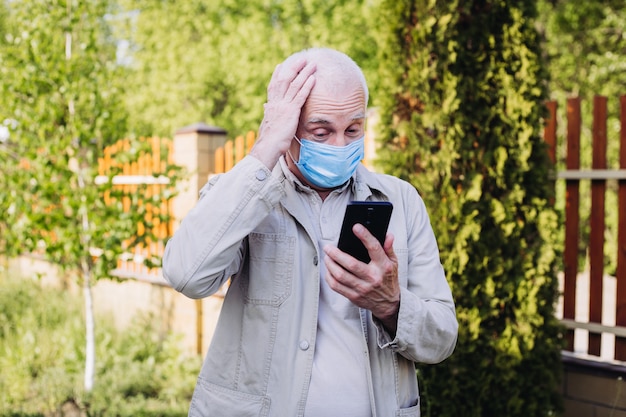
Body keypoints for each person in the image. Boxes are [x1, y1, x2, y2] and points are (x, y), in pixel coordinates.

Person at [162, 47, 458, 417]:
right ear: (288, 129)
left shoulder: (401, 200)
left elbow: (442, 339)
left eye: (353, 129)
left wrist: (392, 305)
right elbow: (186, 274)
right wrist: (266, 145)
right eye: (321, 131)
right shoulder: (243, 195)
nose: (340, 145)